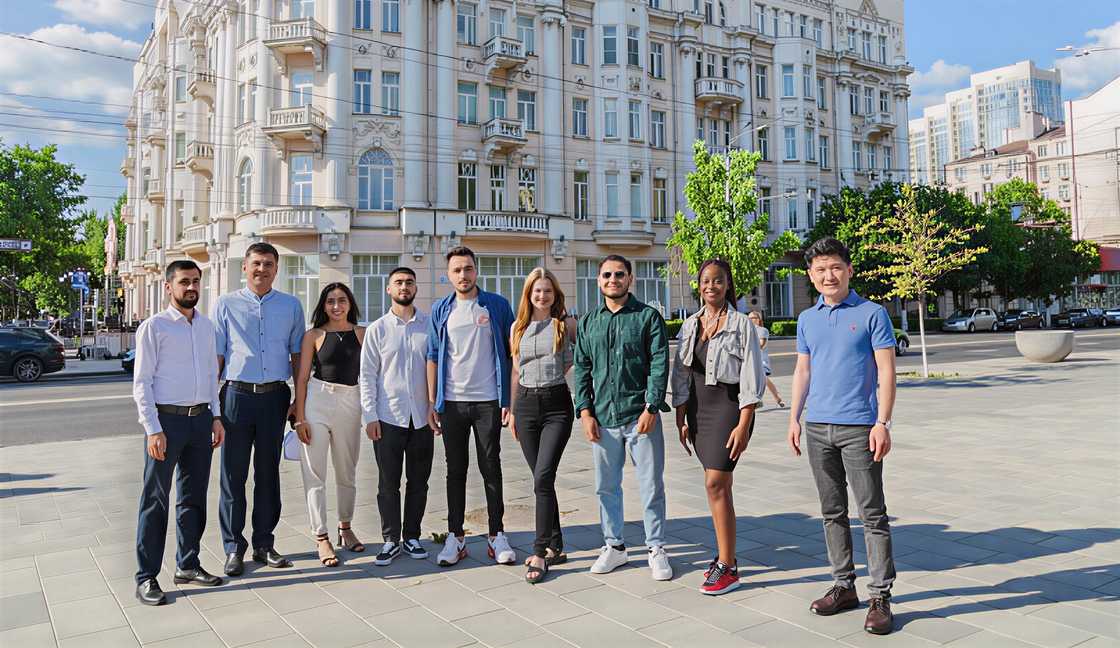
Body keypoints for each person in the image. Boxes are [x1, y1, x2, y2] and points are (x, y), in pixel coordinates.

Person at [787, 237, 898, 635]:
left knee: (872, 513)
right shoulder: (807, 319)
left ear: (848, 270)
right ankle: (843, 585)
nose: (828, 275)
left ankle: (880, 596)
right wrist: (795, 418)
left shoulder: (872, 314)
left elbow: (886, 371)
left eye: (835, 267)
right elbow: (803, 371)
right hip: (817, 426)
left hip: (859, 428)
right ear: (811, 276)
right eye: (820, 269)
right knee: (831, 511)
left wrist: (882, 422)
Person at [573, 254, 673, 581]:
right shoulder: (589, 322)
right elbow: (582, 371)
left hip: (640, 416)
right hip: (602, 418)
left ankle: (655, 547)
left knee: (650, 485)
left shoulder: (647, 318)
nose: (612, 280)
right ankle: (614, 546)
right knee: (606, 487)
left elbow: (659, 364)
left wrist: (652, 407)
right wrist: (585, 412)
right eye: (606, 275)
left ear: (630, 279)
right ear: (599, 281)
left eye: (619, 274)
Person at [132, 260, 225, 606]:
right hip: (166, 424)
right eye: (184, 282)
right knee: (155, 500)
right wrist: (152, 429)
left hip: (201, 421)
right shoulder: (154, 328)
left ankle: (188, 563)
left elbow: (211, 378)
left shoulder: (206, 327)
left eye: (196, 282)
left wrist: (216, 417)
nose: (191, 288)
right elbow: (141, 383)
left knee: (193, 497)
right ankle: (146, 577)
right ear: (169, 287)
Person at [670, 260, 765, 595]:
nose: (711, 286)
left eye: (718, 281)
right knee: (717, 487)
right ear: (699, 285)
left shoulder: (741, 325)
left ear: (728, 285)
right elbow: (681, 373)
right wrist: (680, 416)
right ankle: (724, 557)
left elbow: (753, 376)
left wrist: (744, 423)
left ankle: (729, 565)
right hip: (697, 409)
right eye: (706, 281)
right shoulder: (690, 324)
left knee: (715, 482)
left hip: (727, 407)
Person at [213, 242, 305, 576]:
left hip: (275, 398)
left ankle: (264, 544)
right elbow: (217, 358)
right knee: (233, 476)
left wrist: (299, 401)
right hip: (236, 396)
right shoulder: (225, 304)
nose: (261, 269)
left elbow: (297, 356)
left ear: (276, 269)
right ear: (245, 267)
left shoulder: (291, 306)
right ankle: (234, 548)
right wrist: (213, 409)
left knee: (268, 474)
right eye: (256, 263)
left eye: (268, 264)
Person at [426, 246, 517, 567]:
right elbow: (433, 357)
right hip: (451, 404)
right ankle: (456, 537)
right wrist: (431, 402)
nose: (463, 275)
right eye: (456, 270)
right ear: (448, 275)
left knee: (491, 466)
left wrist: (509, 400)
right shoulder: (442, 309)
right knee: (455, 470)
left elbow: (512, 353)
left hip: (488, 402)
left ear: (476, 271)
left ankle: (496, 535)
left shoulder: (496, 305)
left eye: (467, 269)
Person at [360, 267, 434, 566]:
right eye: (399, 283)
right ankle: (390, 539)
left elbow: (437, 368)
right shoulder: (378, 329)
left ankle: (412, 536)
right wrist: (370, 415)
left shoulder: (429, 326)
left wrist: (434, 407)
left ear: (416, 288)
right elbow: (367, 374)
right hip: (388, 417)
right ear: (389, 289)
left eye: (409, 282)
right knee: (387, 482)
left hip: (422, 417)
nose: (404, 287)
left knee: (419, 480)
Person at [509, 268, 577, 584]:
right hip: (524, 407)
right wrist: (510, 411)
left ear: (555, 294)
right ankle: (557, 544)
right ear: (529, 295)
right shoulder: (517, 328)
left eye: (547, 291)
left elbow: (569, 363)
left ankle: (539, 551)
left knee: (543, 477)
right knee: (542, 479)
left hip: (556, 406)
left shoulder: (564, 326)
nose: (542, 296)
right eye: (537, 291)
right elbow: (514, 371)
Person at [293, 283, 366, 567]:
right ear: (323, 305)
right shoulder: (313, 335)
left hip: (350, 401)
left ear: (350, 303)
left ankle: (345, 528)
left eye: (342, 300)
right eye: (331, 301)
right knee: (315, 472)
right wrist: (300, 418)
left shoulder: (362, 333)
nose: (337, 306)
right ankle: (321, 536)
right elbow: (301, 378)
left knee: (347, 471)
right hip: (318, 401)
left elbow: (371, 374)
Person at [747, 310, 786, 408]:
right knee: (764, 381)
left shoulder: (762, 330)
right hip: (750, 361)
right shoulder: (747, 330)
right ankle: (776, 398)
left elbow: (761, 344)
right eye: (749, 318)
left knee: (761, 381)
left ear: (759, 319)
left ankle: (759, 399)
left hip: (760, 361)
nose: (751, 320)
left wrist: (747, 346)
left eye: (754, 318)